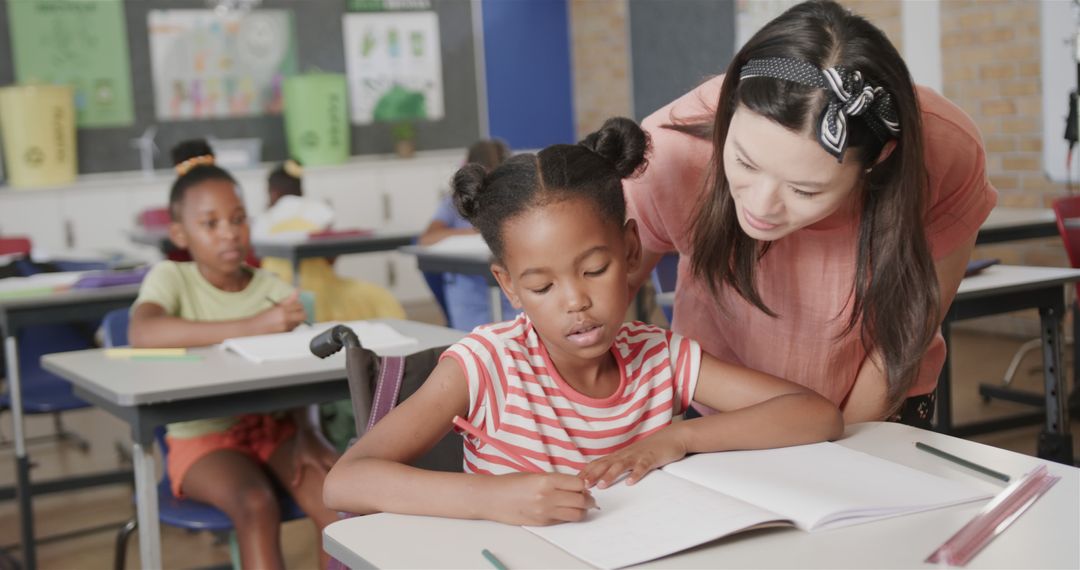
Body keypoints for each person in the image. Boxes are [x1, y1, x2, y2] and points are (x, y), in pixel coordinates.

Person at [322, 118, 843, 525]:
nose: (575, 301)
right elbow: (345, 481)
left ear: (632, 249)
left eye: (595, 269)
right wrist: (491, 498)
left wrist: (676, 440)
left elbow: (814, 414)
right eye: (542, 287)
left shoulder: (658, 356)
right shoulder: (485, 365)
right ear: (509, 286)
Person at [623, 0, 997, 428]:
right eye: (744, 163)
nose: (761, 206)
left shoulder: (944, 151)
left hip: (878, 405)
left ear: (876, 162)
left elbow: (910, 322)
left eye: (804, 189)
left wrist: (846, 444)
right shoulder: (668, 150)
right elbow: (594, 302)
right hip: (723, 416)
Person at [128, 140, 339, 570]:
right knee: (256, 503)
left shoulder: (272, 289)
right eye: (210, 223)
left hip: (275, 428)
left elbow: (306, 368)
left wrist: (309, 430)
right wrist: (253, 326)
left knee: (336, 501)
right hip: (202, 438)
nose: (228, 232)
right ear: (180, 234)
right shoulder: (173, 278)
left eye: (238, 219)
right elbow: (142, 330)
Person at [419, 139, 517, 330]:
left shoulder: (514, 198)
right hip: (469, 300)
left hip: (511, 298)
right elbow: (426, 239)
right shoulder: (454, 203)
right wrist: (475, 231)